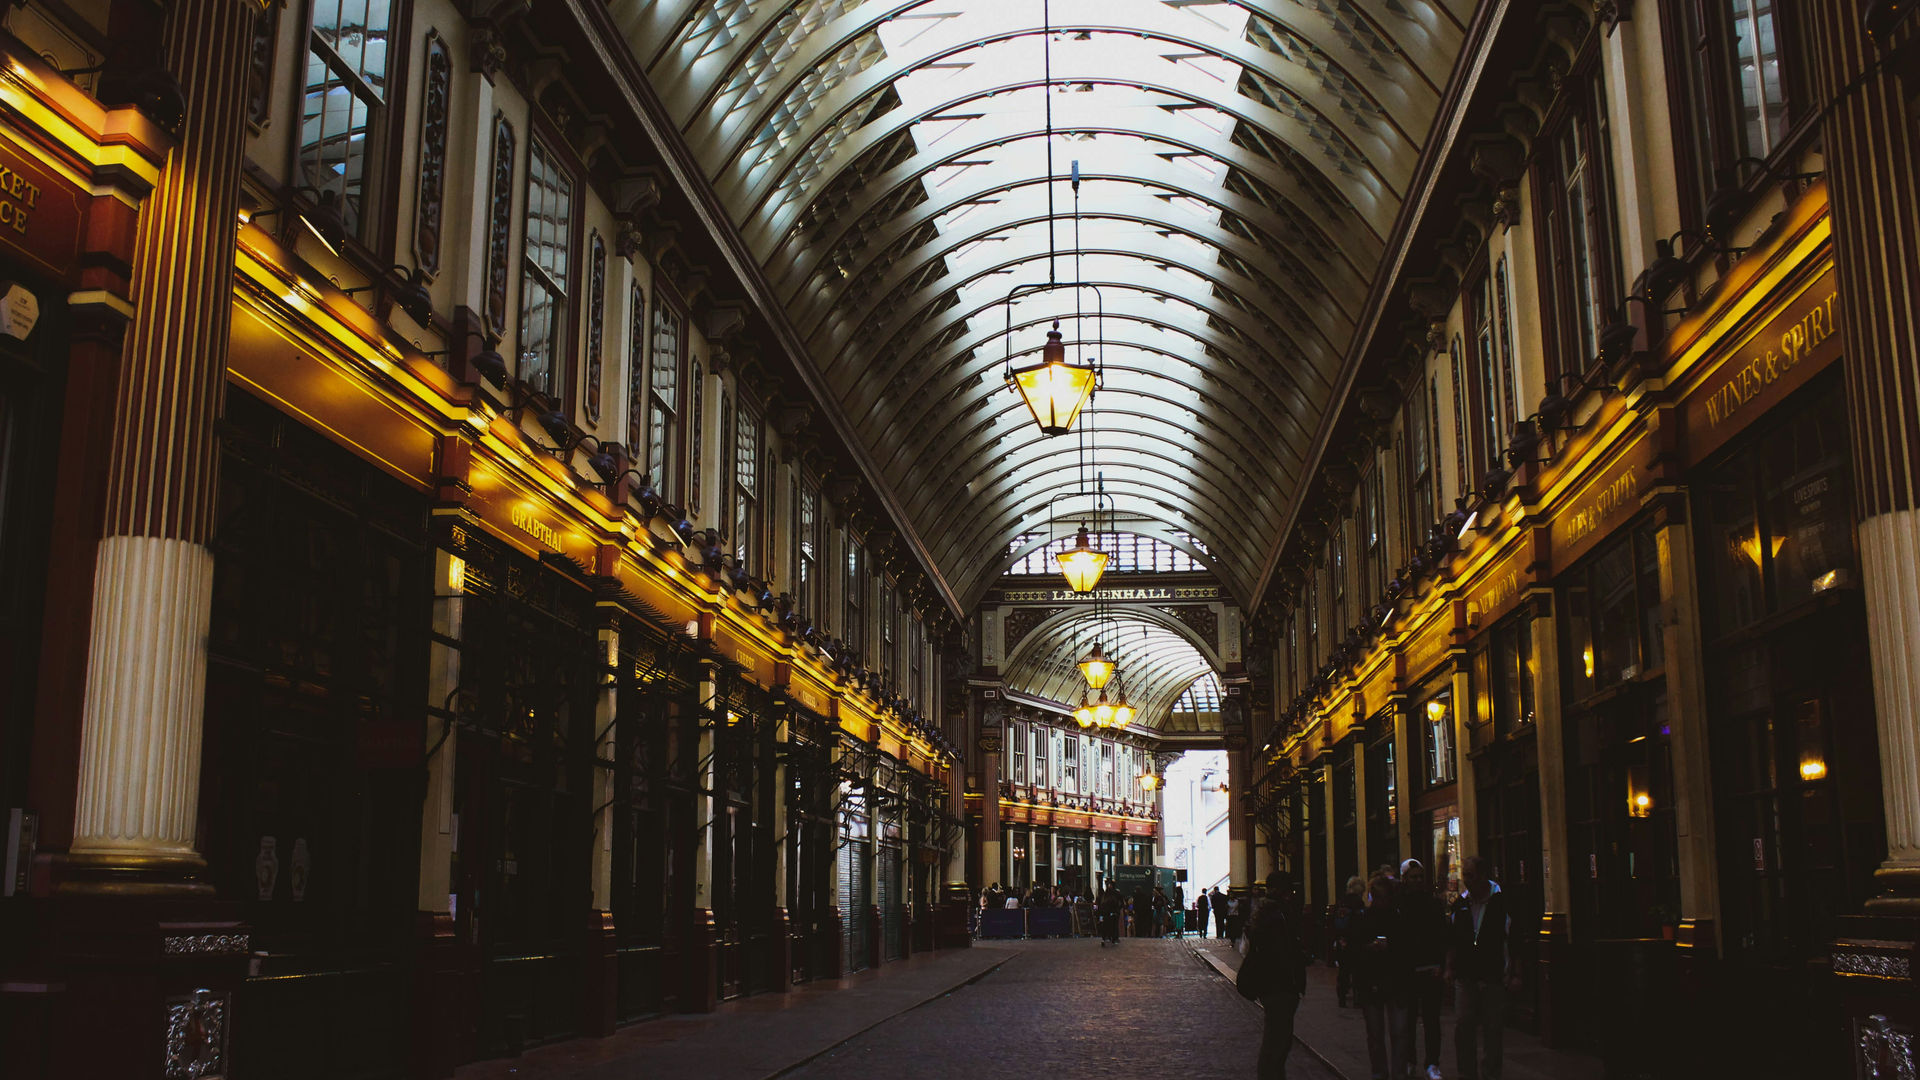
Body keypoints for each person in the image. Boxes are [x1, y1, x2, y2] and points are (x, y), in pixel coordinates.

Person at [1445, 855, 1519, 1080]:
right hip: (1466, 977)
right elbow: (1453, 940)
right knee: (1464, 1028)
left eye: (1470, 875)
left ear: (1483, 876)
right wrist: (1450, 967)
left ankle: (1491, 1074)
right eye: (1464, 875)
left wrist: (1515, 973)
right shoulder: (1461, 904)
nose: (1466, 880)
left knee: (1492, 1030)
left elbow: (1513, 940)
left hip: (1492, 977)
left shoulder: (1502, 902)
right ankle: (1467, 1074)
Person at [1237, 872, 1308, 1080]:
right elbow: (1280, 953)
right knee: (1277, 1042)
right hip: (1280, 986)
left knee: (1277, 1041)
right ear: (1283, 892)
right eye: (1289, 891)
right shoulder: (1278, 915)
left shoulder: (1264, 913)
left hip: (1275, 986)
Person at [1351, 872, 1410, 1080]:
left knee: (1399, 1033)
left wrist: (1390, 947)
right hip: (1372, 983)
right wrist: (1370, 948)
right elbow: (1355, 950)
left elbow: (1408, 950)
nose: (1380, 901)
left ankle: (1399, 1073)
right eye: (1377, 897)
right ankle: (1380, 1073)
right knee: (1375, 1035)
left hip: (1396, 982)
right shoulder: (1364, 919)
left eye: (1384, 897)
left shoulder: (1399, 918)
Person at [1397, 859, 1449, 1080]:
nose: (1418, 880)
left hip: (1430, 968)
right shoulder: (1399, 905)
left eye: (1420, 877)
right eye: (1413, 877)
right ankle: (1409, 1060)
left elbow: (1442, 936)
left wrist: (1441, 964)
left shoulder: (1434, 904)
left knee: (1431, 1019)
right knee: (1407, 1019)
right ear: (1405, 880)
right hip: (1408, 970)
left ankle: (1432, 1063)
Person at [1332, 874, 1366, 1007]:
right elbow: (1360, 923)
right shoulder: (1359, 903)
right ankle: (1357, 998)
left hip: (1343, 941)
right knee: (1357, 970)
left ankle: (1342, 997)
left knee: (1344, 971)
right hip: (1355, 941)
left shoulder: (1342, 901)